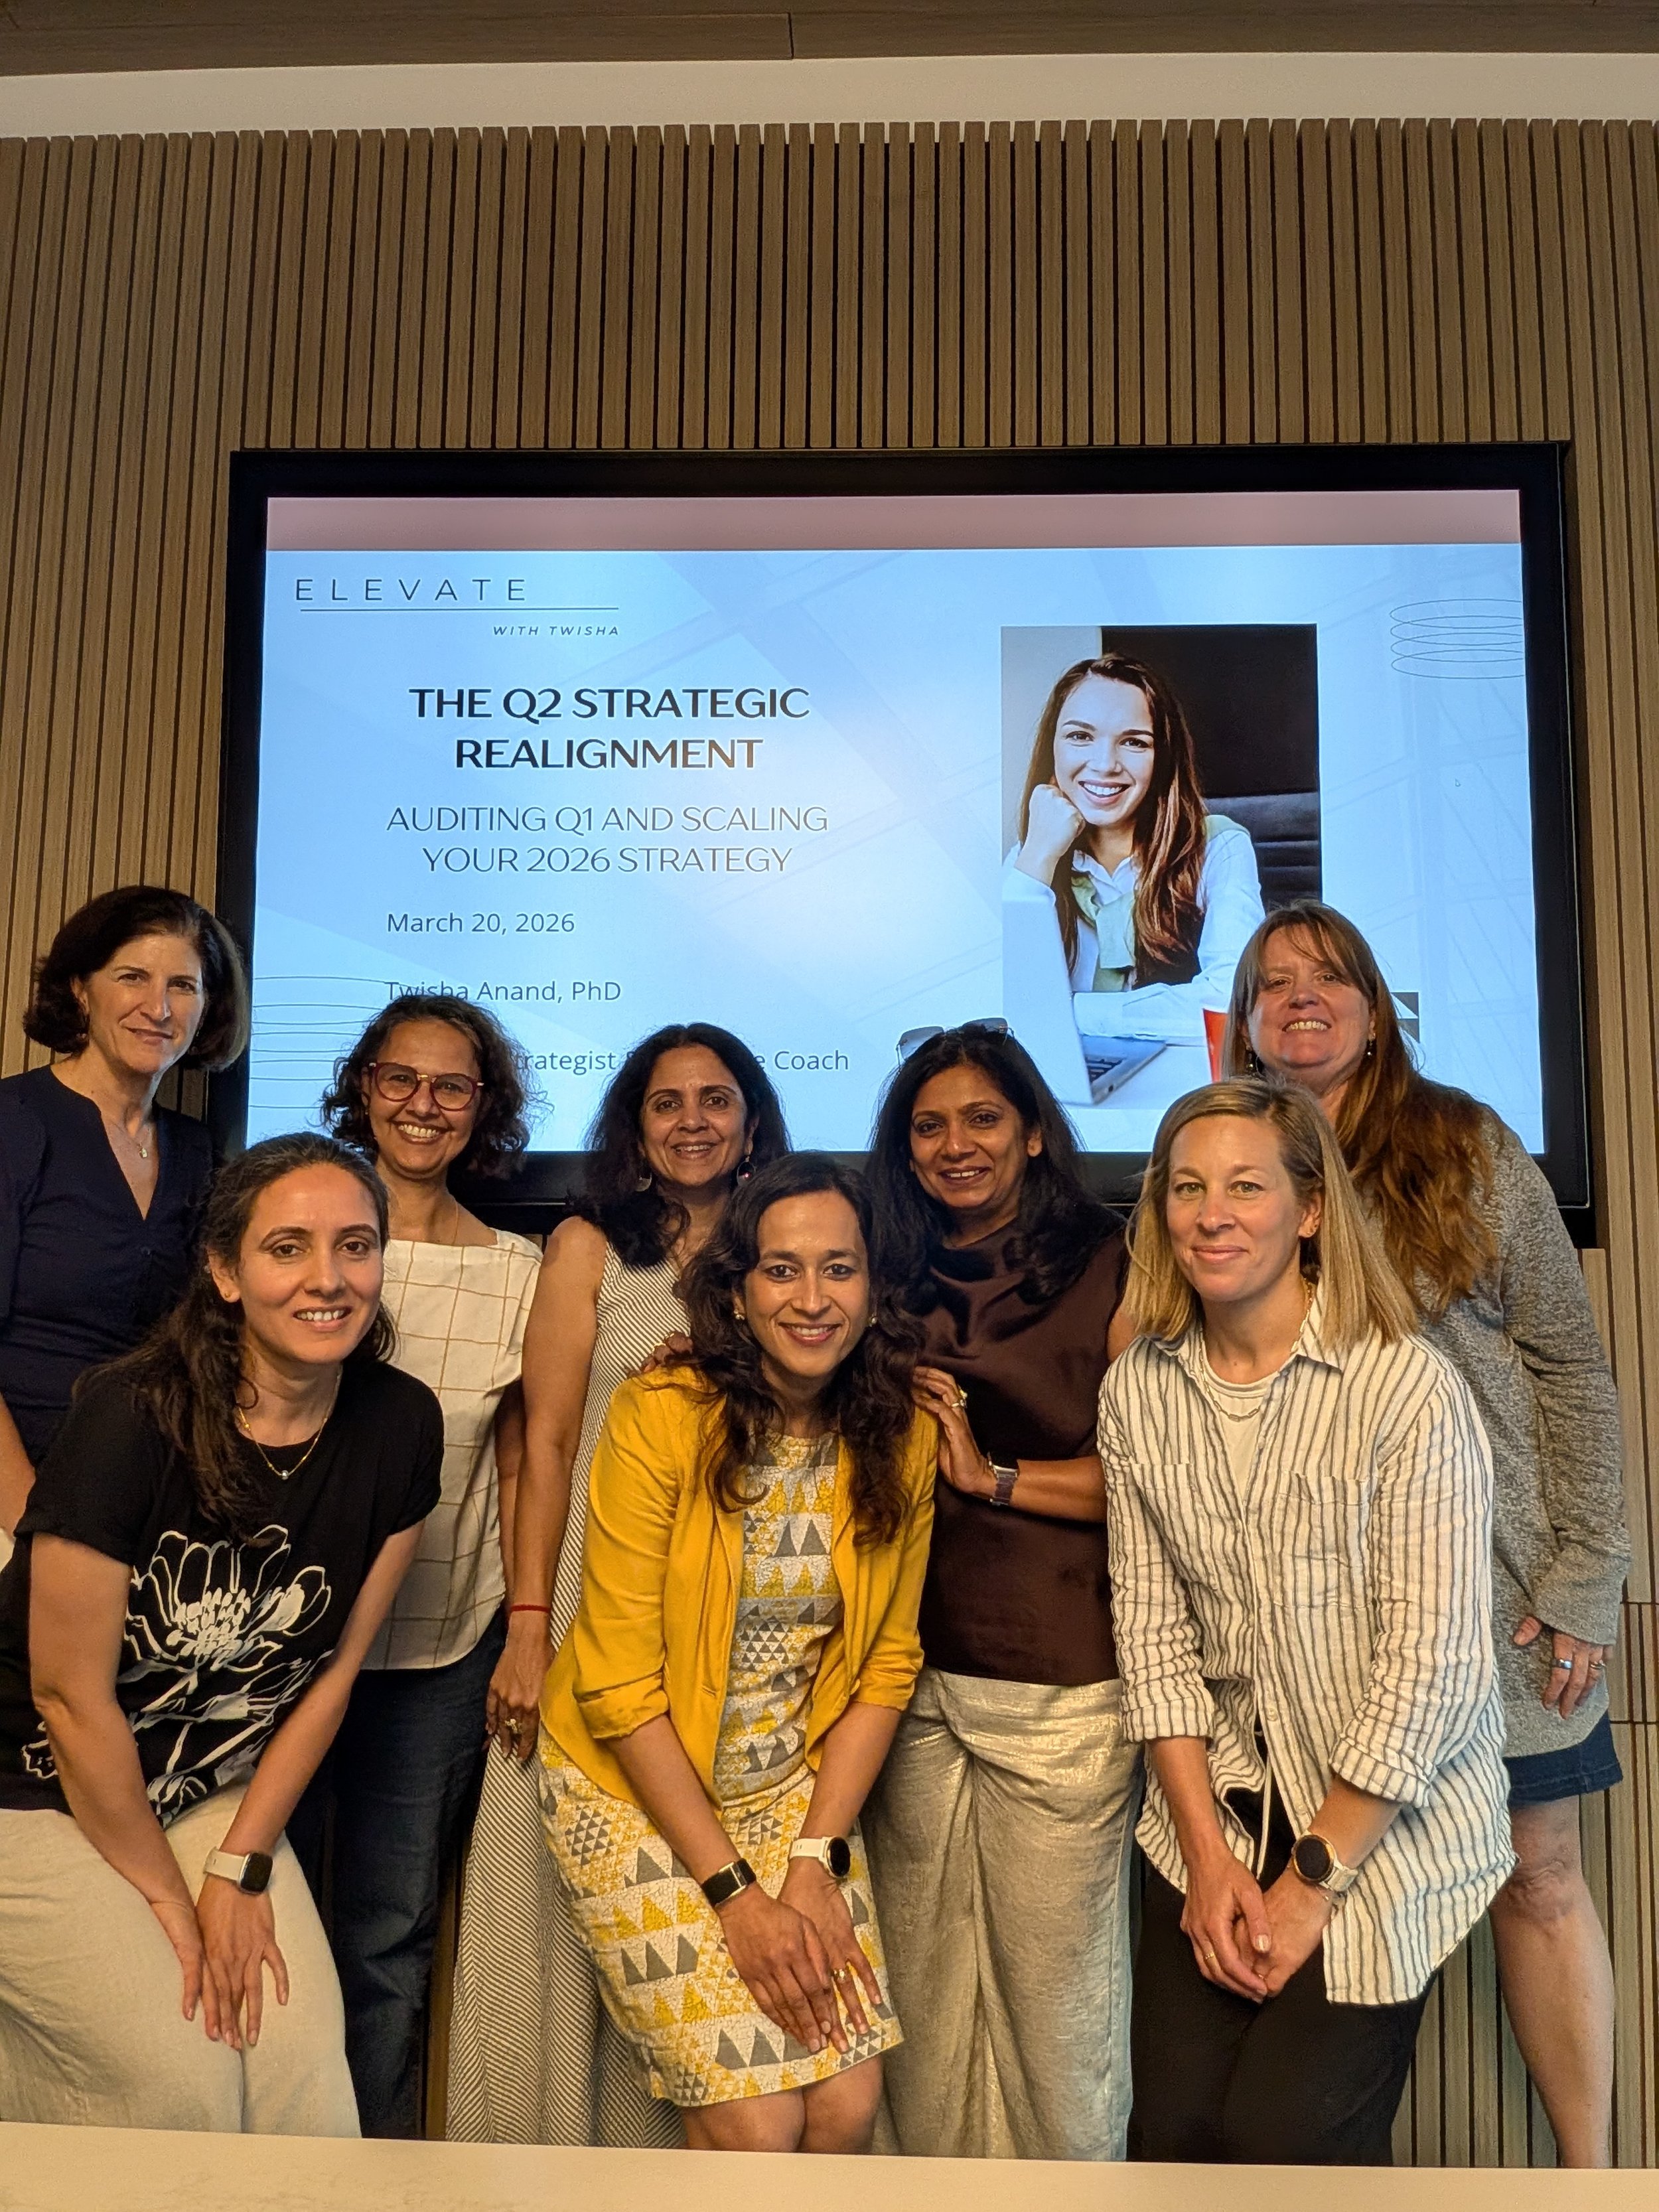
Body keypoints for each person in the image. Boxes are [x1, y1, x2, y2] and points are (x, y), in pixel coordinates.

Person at [1224, 900, 1630, 2168]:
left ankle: (1591, 2178)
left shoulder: (1464, 1142)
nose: (1300, 996)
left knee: (1539, 1875)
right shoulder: (1226, 1164)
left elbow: (1569, 1362)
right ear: (1238, 1021)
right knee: (1346, 1879)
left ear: (1374, 1001)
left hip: (1497, 1590)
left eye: (1327, 975)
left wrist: (1583, 1581)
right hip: (1318, 1611)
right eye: (1272, 981)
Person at [1102, 1078, 1512, 2166]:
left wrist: (1309, 1885)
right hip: (1215, 1820)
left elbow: (1427, 1672)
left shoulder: (1404, 1387)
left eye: (1246, 1184)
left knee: (1285, 2140)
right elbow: (1151, 1642)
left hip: (1379, 1834)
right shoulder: (1137, 1389)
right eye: (1187, 1187)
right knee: (1174, 2136)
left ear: (1311, 1208)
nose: (1212, 1212)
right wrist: (1204, 1860)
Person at [0, 1133, 442, 2133]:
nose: (328, 1279)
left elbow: (328, 1677)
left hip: (203, 1788)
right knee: (182, 2083)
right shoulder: (129, 1415)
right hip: (29, 1787)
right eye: (288, 1248)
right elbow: (68, 1698)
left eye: (356, 1246)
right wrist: (169, 1901)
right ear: (225, 1272)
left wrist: (240, 1866)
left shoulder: (402, 1425)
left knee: (306, 2095)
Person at [539, 1152, 936, 2152]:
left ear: (875, 1286)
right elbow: (620, 1688)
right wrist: (733, 1895)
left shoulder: (903, 1435)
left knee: (846, 2107)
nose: (812, 1299)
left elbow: (886, 1669)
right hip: (629, 1792)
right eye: (782, 1270)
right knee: (760, 2127)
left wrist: (811, 1864)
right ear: (739, 1290)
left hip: (786, 1795)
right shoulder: (661, 1414)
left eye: (839, 1269)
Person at [446, 1021, 789, 2144]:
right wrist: (528, 1625)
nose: (693, 1120)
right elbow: (543, 1444)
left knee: (702, 1896)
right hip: (591, 1601)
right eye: (666, 1101)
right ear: (635, 1129)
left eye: (715, 1098)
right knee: (552, 1890)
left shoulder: (794, 1248)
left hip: (742, 1623)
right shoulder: (590, 1246)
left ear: (751, 1122)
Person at [859, 1025, 1140, 2160]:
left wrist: (995, 1474)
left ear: (1033, 1129)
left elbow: (1155, 1477)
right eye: (930, 1123)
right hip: (901, 1675)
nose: (955, 1143)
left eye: (983, 1118)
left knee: (1057, 2010)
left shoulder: (1115, 1259)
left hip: (1060, 1673)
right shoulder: (880, 1261)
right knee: (920, 2006)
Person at [283, 995, 541, 2137]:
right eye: (400, 1078)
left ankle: (374, 2168)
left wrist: (524, 1628)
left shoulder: (523, 1270)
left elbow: (528, 1462)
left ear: (483, 1107)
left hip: (438, 1649)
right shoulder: (301, 1243)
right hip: (280, 1651)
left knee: (387, 1939)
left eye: (452, 1085)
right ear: (362, 1084)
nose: (422, 1104)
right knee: (262, 1911)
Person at [0, 885, 249, 1554]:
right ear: (81, 989)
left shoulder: (198, 1153)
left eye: (184, 986)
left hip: (140, 1504)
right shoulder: (12, 1125)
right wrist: (34, 1526)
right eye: (132, 978)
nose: (159, 1008)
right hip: (17, 1506)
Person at [1004, 650, 1263, 1043]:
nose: (1105, 764)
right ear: (1052, 748)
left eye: (1134, 742)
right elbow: (998, 998)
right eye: (1080, 736)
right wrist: (1038, 855)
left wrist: (1069, 1011)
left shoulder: (1219, 846)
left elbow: (1233, 1003)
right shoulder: (1037, 851)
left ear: (1162, 757)